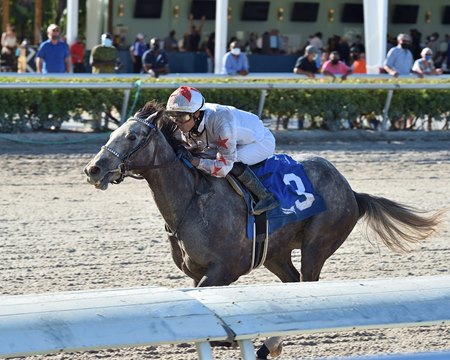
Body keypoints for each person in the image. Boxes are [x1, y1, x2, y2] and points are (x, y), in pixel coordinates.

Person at [165, 86, 279, 215]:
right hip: (234, 139)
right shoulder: (189, 117)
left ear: (197, 114)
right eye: (172, 116)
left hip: (260, 142)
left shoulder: (221, 121)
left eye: (182, 117)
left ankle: (265, 197)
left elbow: (223, 168)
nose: (177, 122)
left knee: (232, 161)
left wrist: (195, 161)